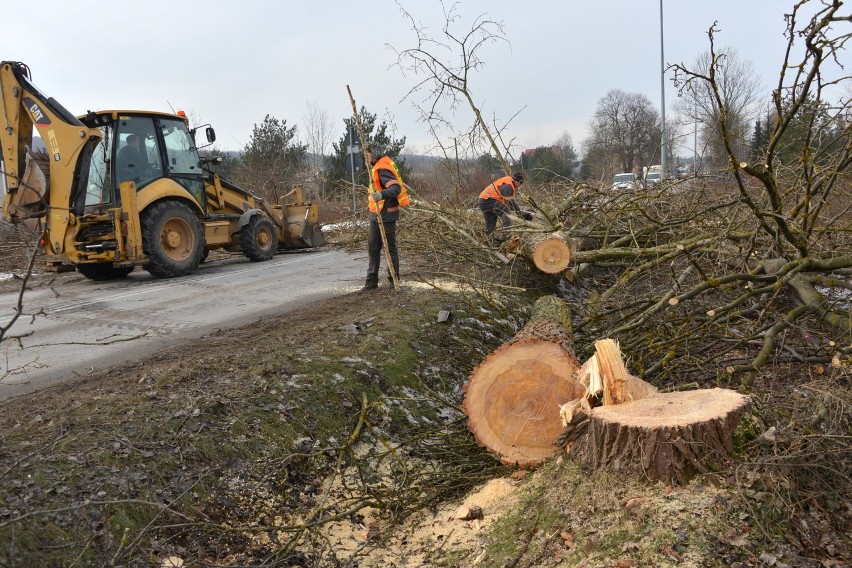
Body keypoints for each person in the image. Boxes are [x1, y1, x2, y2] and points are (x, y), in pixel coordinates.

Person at [362, 145, 409, 291]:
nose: (367, 157)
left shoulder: (382, 168)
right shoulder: (378, 165)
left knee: (389, 248)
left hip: (386, 215)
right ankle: (371, 282)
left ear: (374, 155)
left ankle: (393, 280)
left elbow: (396, 188)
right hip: (376, 215)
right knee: (373, 247)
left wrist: (381, 195)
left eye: (368, 154)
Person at [477, 172, 532, 238]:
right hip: (488, 200)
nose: (520, 186)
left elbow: (510, 203)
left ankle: (489, 239)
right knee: (505, 211)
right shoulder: (508, 186)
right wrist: (521, 214)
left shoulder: (508, 181)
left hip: (482, 201)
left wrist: (520, 212)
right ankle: (506, 234)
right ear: (517, 182)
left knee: (491, 221)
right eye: (521, 183)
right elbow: (511, 203)